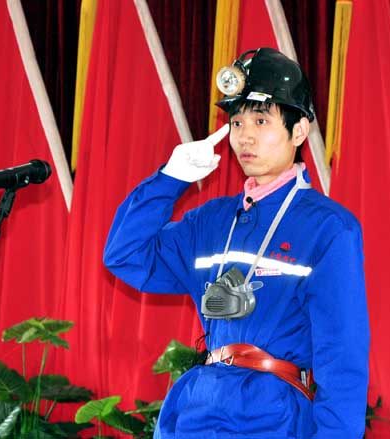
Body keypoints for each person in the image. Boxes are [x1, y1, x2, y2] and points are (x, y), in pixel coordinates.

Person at [104, 47, 370, 439]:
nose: (245, 135)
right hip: (195, 411)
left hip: (272, 417)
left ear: (299, 131)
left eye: (261, 120)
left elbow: (342, 355)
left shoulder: (328, 228)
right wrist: (169, 180)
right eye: (237, 121)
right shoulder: (210, 222)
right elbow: (126, 255)